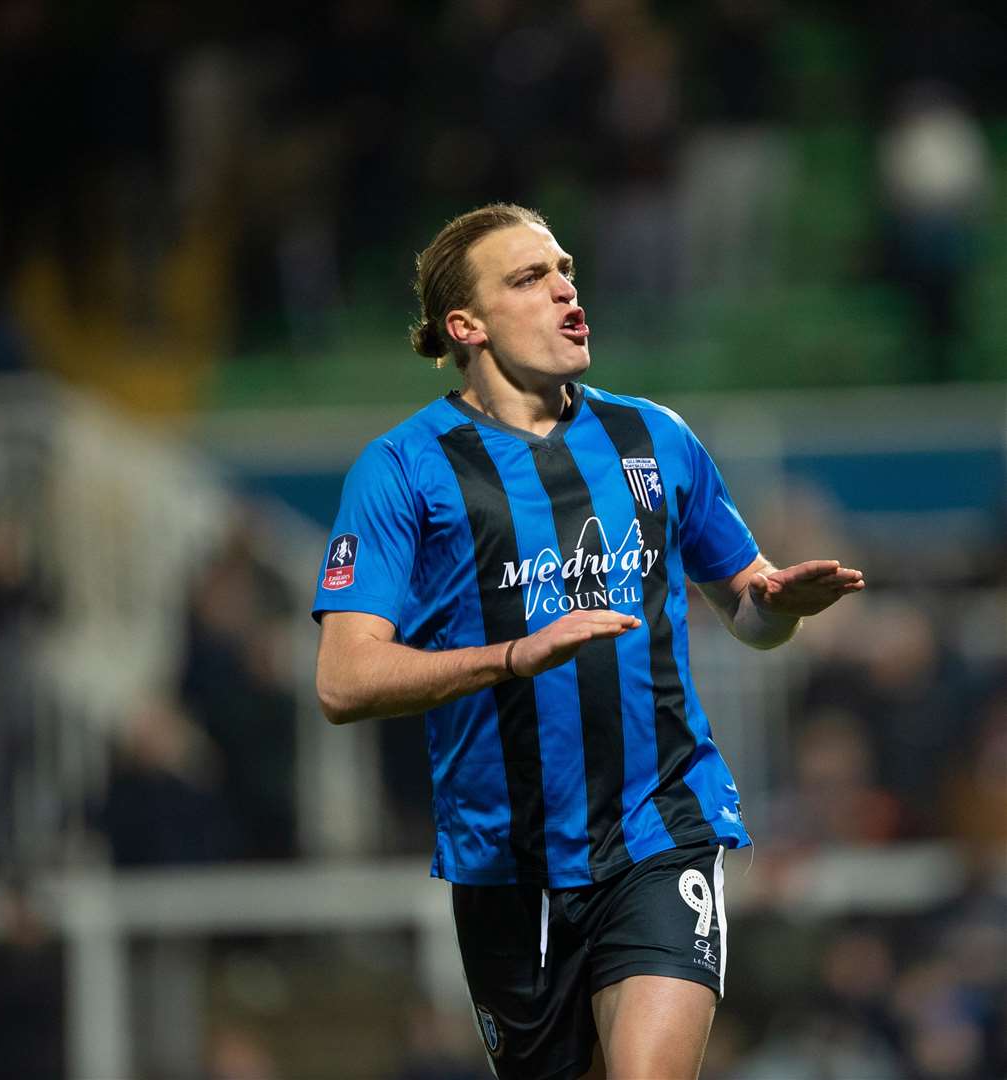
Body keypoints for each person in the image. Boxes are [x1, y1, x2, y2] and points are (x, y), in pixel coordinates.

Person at [312, 204, 864, 1080]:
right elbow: (343, 681)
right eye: (529, 278)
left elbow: (748, 617)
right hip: (506, 861)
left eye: (565, 268)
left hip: (660, 828)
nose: (567, 289)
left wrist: (781, 604)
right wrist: (509, 657)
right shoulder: (403, 470)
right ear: (467, 325)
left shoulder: (655, 438)